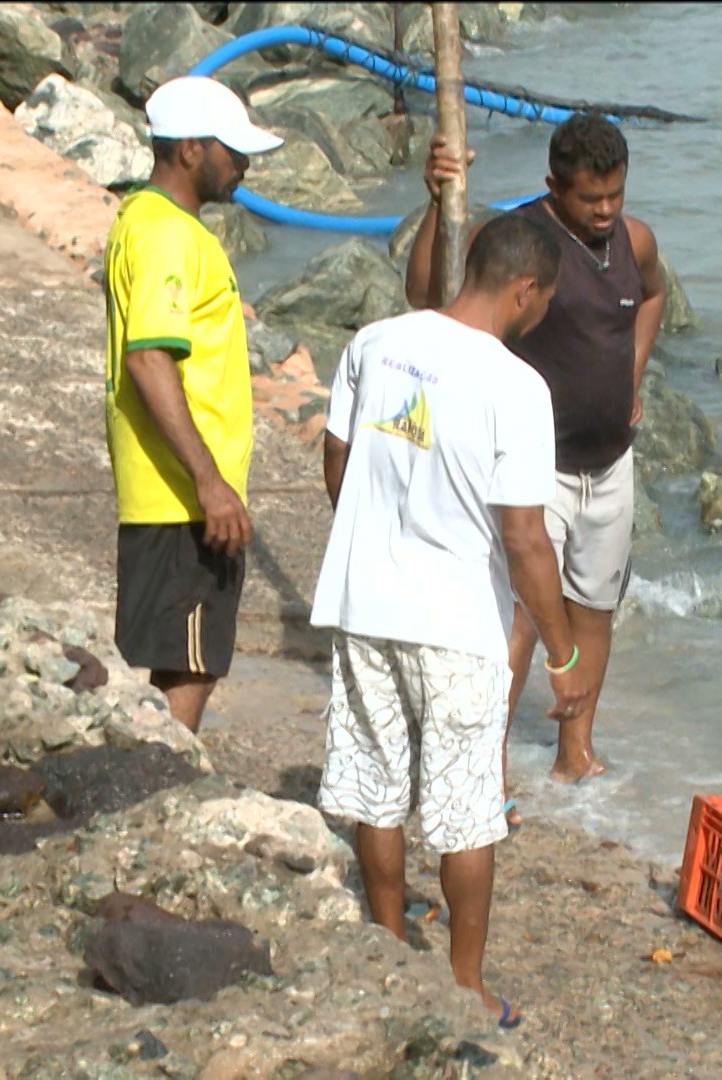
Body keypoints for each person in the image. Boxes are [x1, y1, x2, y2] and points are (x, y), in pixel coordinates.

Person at [312, 215, 591, 1028]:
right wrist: (564, 653)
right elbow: (525, 537)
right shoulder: (517, 387)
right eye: (542, 302)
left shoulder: (376, 340)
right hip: (456, 620)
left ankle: (389, 944)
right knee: (466, 808)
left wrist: (366, 535)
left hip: (365, 603)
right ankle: (464, 986)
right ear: (526, 292)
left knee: (376, 785)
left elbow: (336, 454)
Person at [404, 113, 667, 790]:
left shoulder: (635, 241)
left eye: (615, 195)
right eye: (590, 199)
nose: (606, 211)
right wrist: (439, 202)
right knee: (521, 614)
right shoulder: (522, 239)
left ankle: (574, 750)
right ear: (554, 187)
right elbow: (429, 295)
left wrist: (631, 373)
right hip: (532, 465)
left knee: (595, 608)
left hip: (610, 460)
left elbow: (655, 296)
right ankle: (485, 762)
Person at [103, 76, 283, 732]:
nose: (243, 166)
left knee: (186, 656)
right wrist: (209, 484)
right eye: (232, 152)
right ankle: (163, 781)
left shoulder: (145, 223)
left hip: (173, 493)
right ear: (189, 150)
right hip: (180, 497)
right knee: (190, 660)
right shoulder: (166, 236)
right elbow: (150, 358)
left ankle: (157, 772)